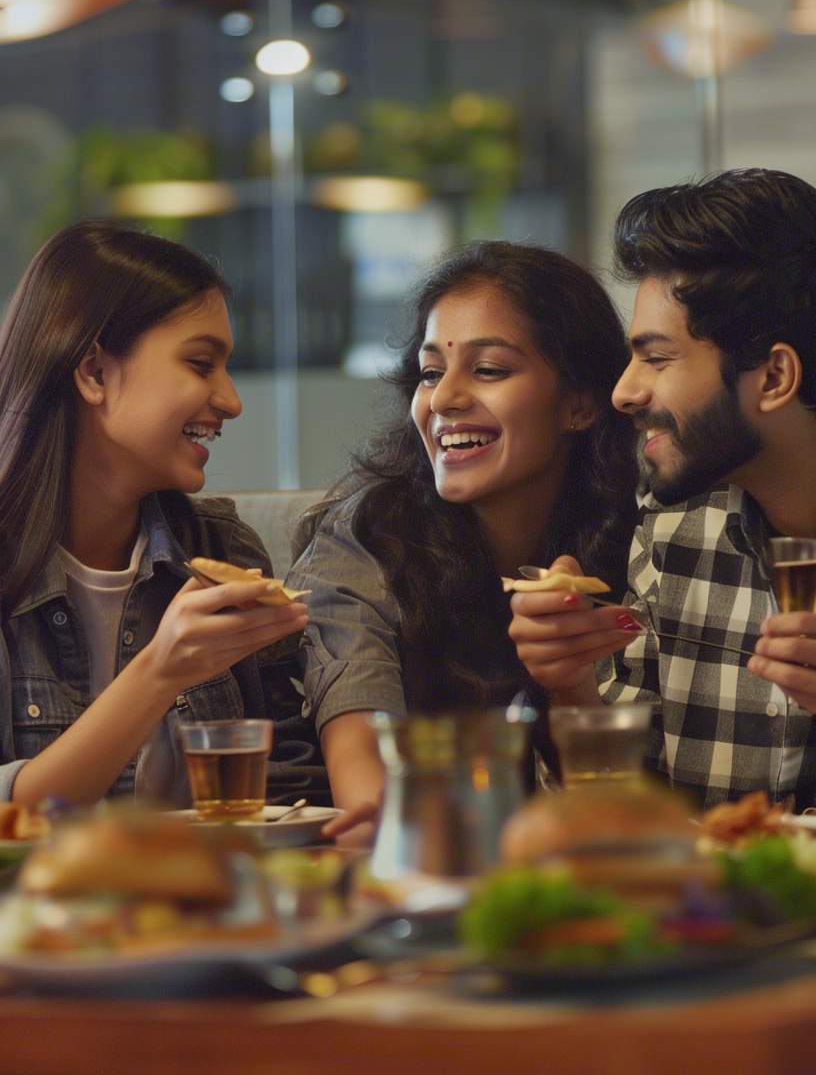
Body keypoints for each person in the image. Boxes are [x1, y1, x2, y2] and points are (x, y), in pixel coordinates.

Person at [286, 240, 639, 826]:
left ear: (580, 405)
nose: (443, 398)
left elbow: (626, 816)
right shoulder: (366, 540)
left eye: (490, 370)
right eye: (430, 372)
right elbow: (369, 793)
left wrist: (572, 686)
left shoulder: (650, 540)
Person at [509, 168, 816, 810]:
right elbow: (624, 820)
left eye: (657, 358)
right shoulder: (679, 523)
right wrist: (568, 687)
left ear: (775, 375)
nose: (623, 392)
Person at [0, 220, 324, 810]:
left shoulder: (222, 551)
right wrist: (160, 670)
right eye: (201, 364)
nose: (231, 400)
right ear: (95, 372)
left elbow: (289, 787)